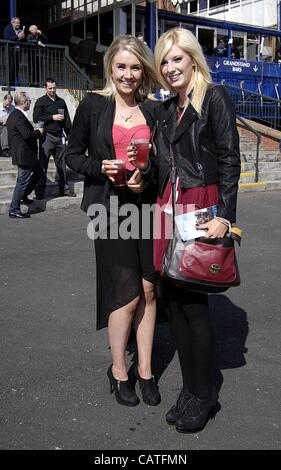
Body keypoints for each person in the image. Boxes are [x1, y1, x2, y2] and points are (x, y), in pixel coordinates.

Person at [130, 28, 241, 432]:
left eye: (177, 58)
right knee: (174, 303)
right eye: (164, 61)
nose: (170, 67)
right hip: (167, 210)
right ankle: (190, 391)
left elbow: (230, 160)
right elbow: (161, 167)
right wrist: (142, 169)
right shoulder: (164, 110)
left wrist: (225, 216)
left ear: (193, 59)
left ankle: (204, 392)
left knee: (195, 305)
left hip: (200, 208)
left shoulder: (214, 98)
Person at [65, 35, 161, 407]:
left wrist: (145, 174)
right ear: (110, 68)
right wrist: (99, 167)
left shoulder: (154, 110)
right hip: (109, 210)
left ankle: (146, 370)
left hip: (148, 208)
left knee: (150, 290)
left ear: (143, 71)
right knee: (125, 293)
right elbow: (72, 155)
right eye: (121, 66)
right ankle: (119, 370)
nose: (128, 74)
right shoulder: (92, 105)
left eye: (135, 67)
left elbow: (161, 163)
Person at [33, 78, 76, 199]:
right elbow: (36, 117)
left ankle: (64, 189)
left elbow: (67, 119)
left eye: (54, 88)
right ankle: (40, 192)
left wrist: (69, 135)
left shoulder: (61, 101)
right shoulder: (41, 101)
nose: (52, 90)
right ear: (45, 88)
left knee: (61, 165)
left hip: (59, 136)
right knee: (43, 164)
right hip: (46, 136)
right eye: (50, 88)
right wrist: (52, 117)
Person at [7, 91, 44, 218]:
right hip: (24, 155)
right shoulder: (18, 116)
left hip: (27, 155)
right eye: (29, 101)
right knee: (22, 182)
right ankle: (14, 209)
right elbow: (27, 135)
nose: (30, 103)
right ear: (24, 102)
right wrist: (38, 131)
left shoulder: (16, 115)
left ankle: (24, 195)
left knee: (39, 173)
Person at [3, 17, 26, 85]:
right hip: (10, 50)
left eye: (19, 23)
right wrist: (17, 37)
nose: (18, 24)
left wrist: (23, 37)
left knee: (16, 67)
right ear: (12, 23)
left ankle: (12, 82)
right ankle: (8, 83)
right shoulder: (7, 28)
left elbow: (23, 41)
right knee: (11, 66)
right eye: (17, 23)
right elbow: (7, 38)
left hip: (18, 51)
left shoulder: (20, 30)